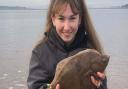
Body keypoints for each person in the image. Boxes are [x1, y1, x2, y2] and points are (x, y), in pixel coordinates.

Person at [27, 0, 108, 89]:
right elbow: (34, 86)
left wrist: (99, 86)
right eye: (61, 18)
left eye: (72, 18)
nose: (67, 27)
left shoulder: (91, 50)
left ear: (79, 19)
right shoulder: (40, 52)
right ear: (53, 19)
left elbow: (102, 84)